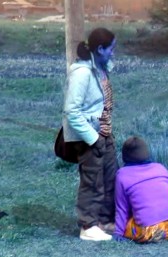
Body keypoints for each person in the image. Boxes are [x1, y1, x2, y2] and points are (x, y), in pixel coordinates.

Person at [62, 28, 119, 241]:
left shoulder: (99, 68)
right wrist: (93, 138)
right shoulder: (82, 73)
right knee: (93, 180)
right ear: (100, 49)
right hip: (90, 136)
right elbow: (71, 111)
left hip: (105, 132)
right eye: (110, 49)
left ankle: (104, 221)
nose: (114, 52)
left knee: (110, 177)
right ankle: (88, 225)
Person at [114, 136, 168, 243]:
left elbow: (122, 209)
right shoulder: (160, 167)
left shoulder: (122, 175)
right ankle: (166, 231)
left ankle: (159, 233)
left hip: (150, 230)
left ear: (124, 157)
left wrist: (118, 233)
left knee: (129, 223)